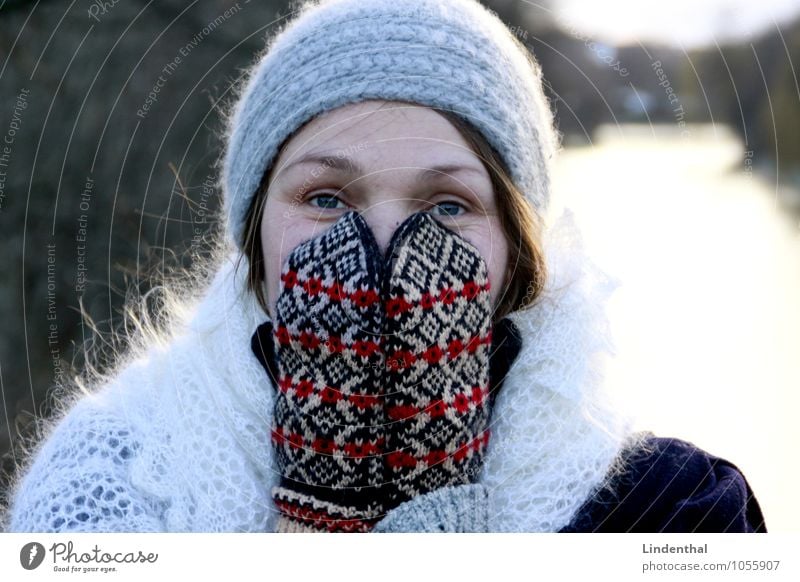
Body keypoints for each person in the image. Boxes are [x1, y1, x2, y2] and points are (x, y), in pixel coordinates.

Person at [4, 0, 765, 533]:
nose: (385, 241)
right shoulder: (113, 477)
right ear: (253, 233)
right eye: (327, 196)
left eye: (447, 207)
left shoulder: (671, 510)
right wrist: (318, 516)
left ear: (518, 249)